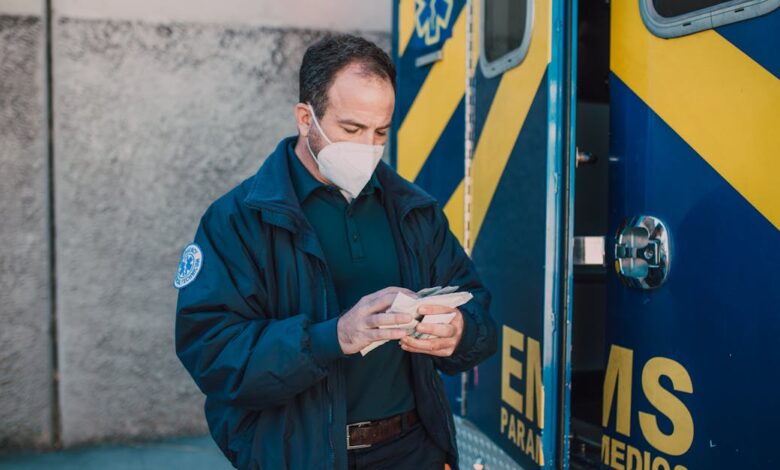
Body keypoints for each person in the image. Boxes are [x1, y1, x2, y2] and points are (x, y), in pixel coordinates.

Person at [174, 33, 497, 470]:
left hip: (412, 449)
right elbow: (212, 354)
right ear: (305, 118)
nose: (368, 147)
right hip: (300, 456)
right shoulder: (239, 219)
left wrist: (459, 331)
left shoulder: (412, 209)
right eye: (351, 129)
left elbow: (478, 311)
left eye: (380, 132)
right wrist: (335, 336)